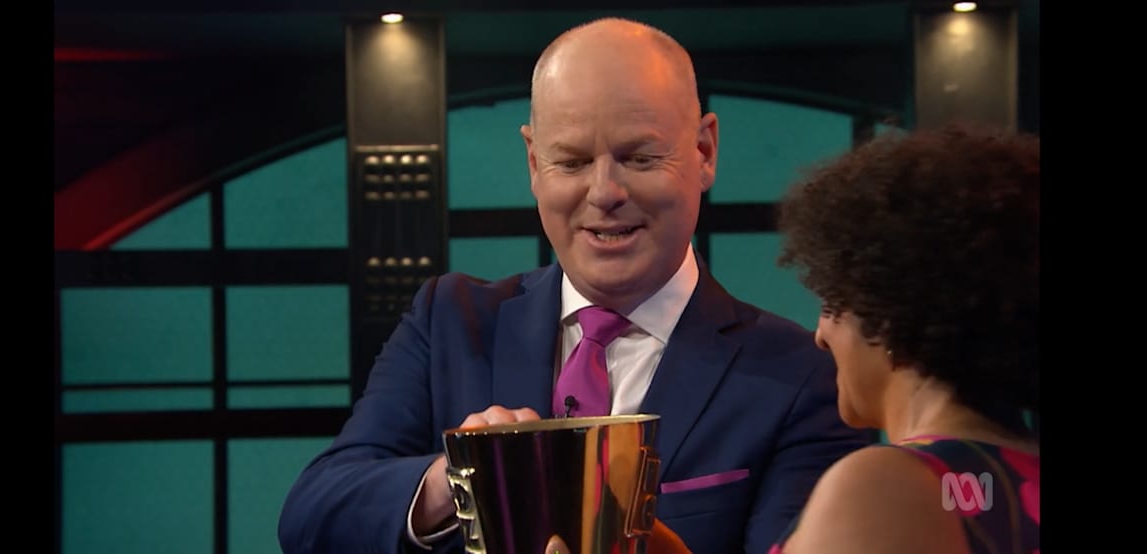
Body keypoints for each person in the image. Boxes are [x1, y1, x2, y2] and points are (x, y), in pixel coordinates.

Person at [277, 17, 870, 554]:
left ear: (704, 151)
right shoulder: (449, 321)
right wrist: (458, 479)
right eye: (572, 161)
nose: (605, 192)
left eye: (639, 158)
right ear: (534, 164)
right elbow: (313, 515)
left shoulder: (798, 377)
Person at [754, 124, 1039, 553]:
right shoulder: (1012, 478)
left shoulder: (885, 487)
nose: (820, 335)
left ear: (886, 315)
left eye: (832, 301)